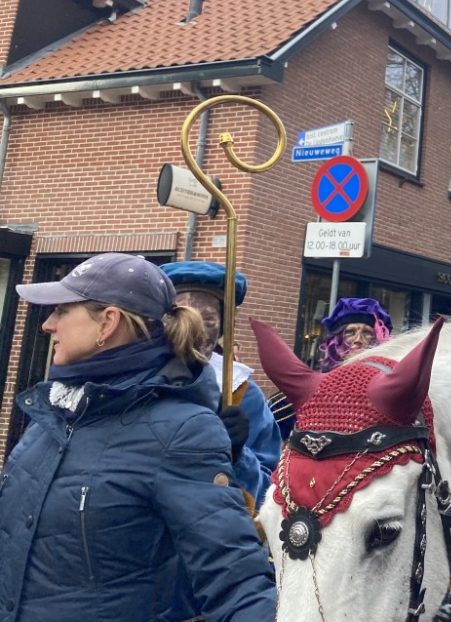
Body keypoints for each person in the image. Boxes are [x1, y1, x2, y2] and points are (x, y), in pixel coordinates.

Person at [0, 253, 276, 621]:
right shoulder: (56, 411)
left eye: (62, 311)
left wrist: (239, 454)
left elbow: (235, 577)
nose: (47, 325)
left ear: (108, 323)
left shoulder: (181, 430)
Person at [160, 260, 282, 507]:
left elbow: (271, 496)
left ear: (223, 328)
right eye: (184, 317)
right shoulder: (135, 377)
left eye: (208, 320)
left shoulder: (242, 393)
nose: (196, 332)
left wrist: (238, 455)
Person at [317, 296, 393, 371]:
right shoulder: (325, 378)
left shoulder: (385, 376)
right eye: (350, 332)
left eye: (367, 332)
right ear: (337, 339)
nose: (358, 339)